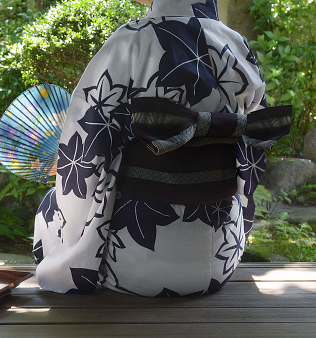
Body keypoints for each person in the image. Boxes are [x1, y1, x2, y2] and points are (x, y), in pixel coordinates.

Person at [32, 0, 291, 297]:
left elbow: (85, 152)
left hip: (128, 264)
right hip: (219, 262)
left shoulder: (129, 40)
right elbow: (252, 153)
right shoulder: (236, 45)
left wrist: (73, 241)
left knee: (55, 202)